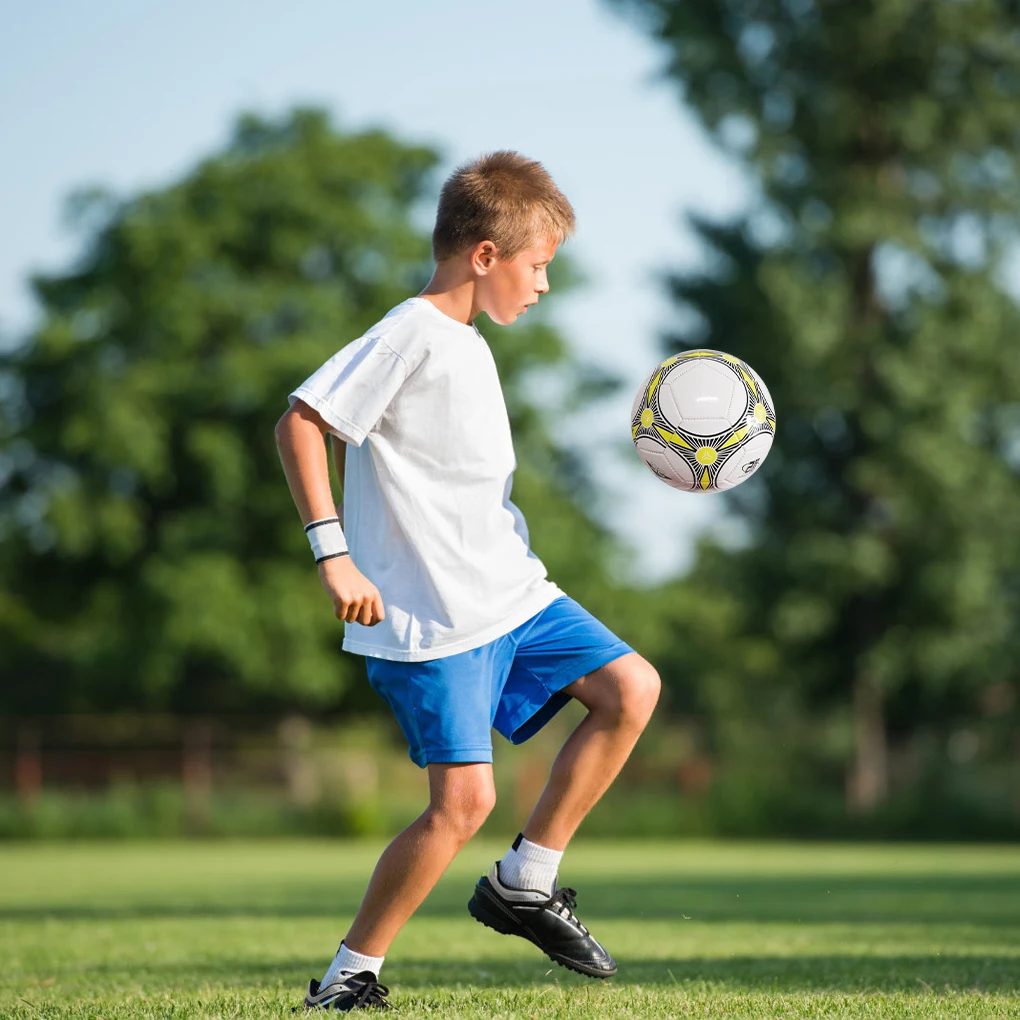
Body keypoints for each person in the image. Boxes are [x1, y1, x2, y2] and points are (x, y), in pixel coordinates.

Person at [275, 151, 660, 1011]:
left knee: (631, 687)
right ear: (484, 255)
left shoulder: (471, 345)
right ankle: (348, 978)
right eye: (539, 265)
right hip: (430, 618)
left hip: (513, 595)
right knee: (462, 804)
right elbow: (301, 423)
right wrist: (333, 554)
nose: (545, 285)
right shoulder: (408, 331)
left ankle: (528, 879)